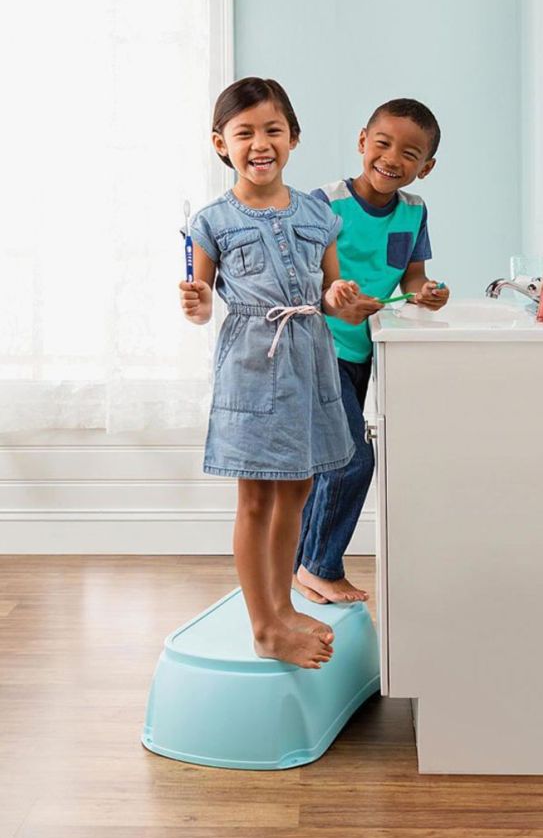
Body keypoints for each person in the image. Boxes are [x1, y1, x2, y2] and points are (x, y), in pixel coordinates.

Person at [179, 77, 361, 669]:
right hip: (253, 364)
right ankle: (262, 625)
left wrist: (340, 295)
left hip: (311, 357)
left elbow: (328, 291)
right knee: (256, 496)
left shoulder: (317, 212)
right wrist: (198, 304)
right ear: (220, 144)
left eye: (273, 130)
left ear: (294, 137)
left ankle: (282, 608)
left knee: (299, 492)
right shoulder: (212, 221)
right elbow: (205, 299)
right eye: (245, 132)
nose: (261, 143)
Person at [294, 98, 450, 604]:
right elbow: (302, 281)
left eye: (409, 153)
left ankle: (299, 567)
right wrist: (332, 297)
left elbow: (414, 277)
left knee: (330, 465)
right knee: (351, 460)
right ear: (363, 142)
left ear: (424, 168)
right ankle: (319, 566)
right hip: (320, 348)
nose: (392, 158)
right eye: (382, 143)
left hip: (366, 352)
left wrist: (428, 293)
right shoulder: (324, 202)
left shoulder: (414, 210)